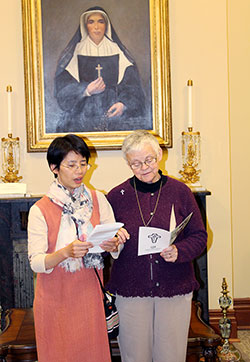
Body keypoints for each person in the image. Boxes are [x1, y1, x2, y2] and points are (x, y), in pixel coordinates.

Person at [106, 130, 208, 362]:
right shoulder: (116, 196)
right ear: (128, 164)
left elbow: (199, 236)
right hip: (131, 290)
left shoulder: (181, 192)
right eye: (136, 163)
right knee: (135, 356)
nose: (144, 167)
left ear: (159, 155)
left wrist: (180, 251)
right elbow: (105, 242)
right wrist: (112, 242)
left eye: (149, 160)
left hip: (174, 287)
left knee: (171, 356)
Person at [27, 134, 128, 362]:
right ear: (54, 167)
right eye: (71, 165)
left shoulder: (98, 199)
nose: (79, 171)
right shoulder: (40, 209)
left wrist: (113, 244)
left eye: (83, 163)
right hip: (54, 298)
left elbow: (113, 248)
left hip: (89, 295)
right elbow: (36, 262)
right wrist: (65, 253)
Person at [54, 6, 147, 133]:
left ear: (106, 25)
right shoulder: (76, 51)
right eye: (91, 22)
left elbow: (133, 88)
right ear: (85, 25)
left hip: (114, 117)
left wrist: (123, 105)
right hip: (82, 118)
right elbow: (63, 92)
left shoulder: (117, 50)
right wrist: (86, 90)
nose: (96, 27)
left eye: (100, 21)